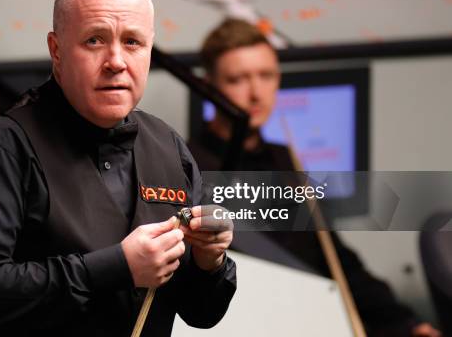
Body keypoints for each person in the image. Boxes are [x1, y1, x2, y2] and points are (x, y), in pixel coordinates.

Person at [0, 0, 236, 337]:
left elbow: (202, 313)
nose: (116, 61)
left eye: (132, 42)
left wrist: (211, 262)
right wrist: (117, 268)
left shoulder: (169, 147)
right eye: (94, 40)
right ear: (56, 50)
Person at [188, 18, 440, 337]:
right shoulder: (188, 167)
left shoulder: (284, 158)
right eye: (238, 79)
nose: (256, 93)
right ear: (209, 84)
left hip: (316, 317)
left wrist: (406, 324)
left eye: (266, 76)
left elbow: (335, 258)